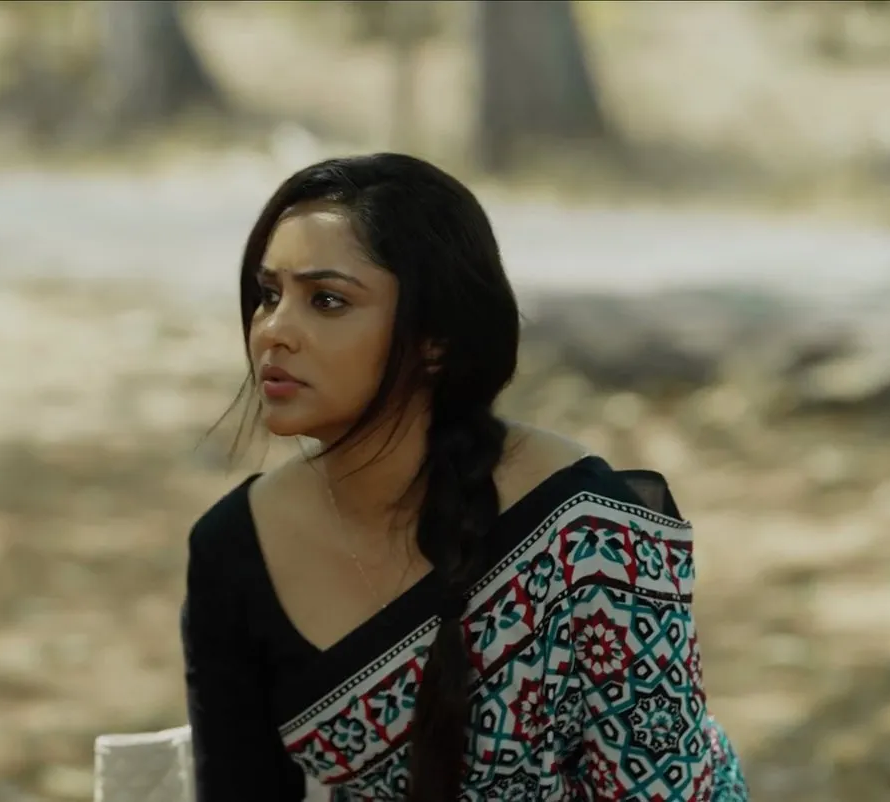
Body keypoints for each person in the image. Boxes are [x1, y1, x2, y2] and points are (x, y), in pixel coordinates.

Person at [181, 153, 748, 801]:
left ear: (436, 340)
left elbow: (662, 786)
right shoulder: (236, 548)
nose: (274, 331)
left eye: (327, 300)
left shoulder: (586, 531)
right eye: (268, 295)